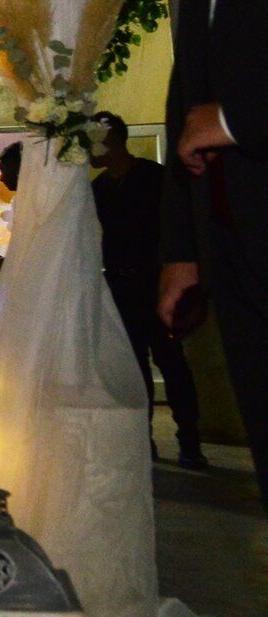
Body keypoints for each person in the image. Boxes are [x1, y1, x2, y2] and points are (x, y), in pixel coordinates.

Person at [161, 0, 268, 511]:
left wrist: (234, 122)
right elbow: (186, 86)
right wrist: (184, 247)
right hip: (235, 242)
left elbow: (210, 111)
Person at [91, 112, 204, 468]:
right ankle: (143, 439)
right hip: (120, 284)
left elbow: (176, 226)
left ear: (111, 140)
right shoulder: (99, 189)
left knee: (172, 361)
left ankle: (190, 440)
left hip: (156, 282)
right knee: (134, 366)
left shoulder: (154, 177)